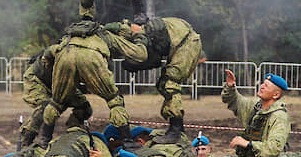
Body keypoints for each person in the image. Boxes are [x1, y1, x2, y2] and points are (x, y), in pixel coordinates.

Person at [38, 19, 148, 148]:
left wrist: (52, 68)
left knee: (56, 102)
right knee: (115, 100)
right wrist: (140, 36)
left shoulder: (72, 36)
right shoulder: (108, 35)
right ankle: (127, 142)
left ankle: (44, 141)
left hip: (65, 55)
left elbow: (49, 53)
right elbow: (140, 55)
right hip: (90, 57)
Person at [123, 17, 202, 142]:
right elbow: (156, 61)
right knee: (163, 84)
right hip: (181, 43)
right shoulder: (144, 34)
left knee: (170, 84)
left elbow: (154, 60)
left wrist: (135, 64)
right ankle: (177, 128)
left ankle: (175, 131)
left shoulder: (146, 34)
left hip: (186, 43)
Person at [19, 47, 92, 147]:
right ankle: (28, 139)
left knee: (85, 107)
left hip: (61, 84)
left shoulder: (89, 59)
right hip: (37, 79)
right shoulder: (64, 49)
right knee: (47, 107)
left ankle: (72, 132)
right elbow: (49, 52)